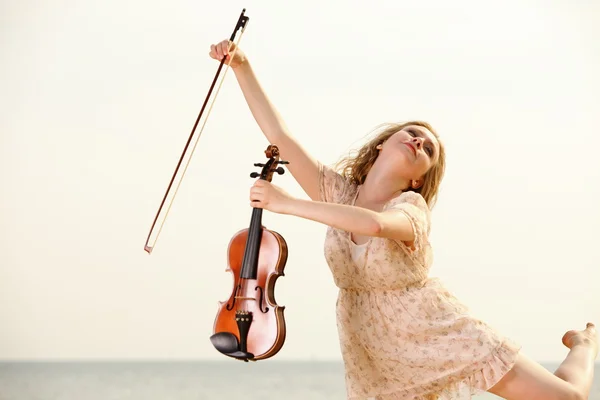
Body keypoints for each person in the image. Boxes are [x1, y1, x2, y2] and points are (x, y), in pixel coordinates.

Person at [208, 39, 598, 400]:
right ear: (383, 143)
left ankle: (584, 345)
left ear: (419, 177)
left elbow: (375, 225)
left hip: (436, 332)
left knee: (568, 398)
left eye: (428, 149)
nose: (418, 142)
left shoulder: (411, 207)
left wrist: (289, 204)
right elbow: (280, 134)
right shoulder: (339, 195)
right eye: (413, 134)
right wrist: (241, 65)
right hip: (373, 350)